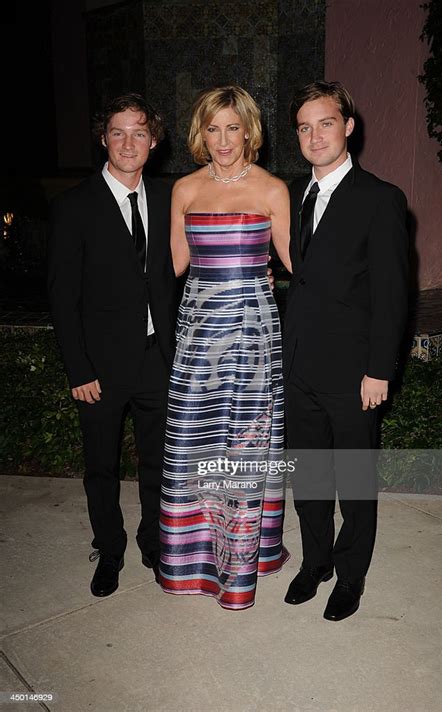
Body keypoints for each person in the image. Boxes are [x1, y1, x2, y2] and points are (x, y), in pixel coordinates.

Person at [158, 84, 292, 610]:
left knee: (245, 445)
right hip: (198, 335)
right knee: (196, 437)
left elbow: (298, 267)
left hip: (254, 340)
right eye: (212, 128)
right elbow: (168, 270)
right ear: (200, 132)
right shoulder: (185, 190)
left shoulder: (273, 190)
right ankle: (192, 558)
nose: (222, 139)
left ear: (248, 131)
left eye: (232, 127)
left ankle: (244, 562)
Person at [283, 81, 409, 620]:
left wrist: (379, 371)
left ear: (349, 126)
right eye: (305, 127)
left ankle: (350, 576)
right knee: (309, 478)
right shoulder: (290, 194)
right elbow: (300, 274)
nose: (315, 136)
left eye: (325, 122)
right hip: (297, 368)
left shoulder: (381, 199)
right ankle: (316, 562)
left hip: (355, 373)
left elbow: (392, 295)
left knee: (355, 482)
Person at [48, 93, 177, 597]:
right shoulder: (73, 206)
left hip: (157, 357)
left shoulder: (169, 198)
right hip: (98, 364)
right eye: (118, 132)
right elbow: (62, 297)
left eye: (140, 133)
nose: (129, 143)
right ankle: (111, 548)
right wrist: (78, 368)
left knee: (156, 459)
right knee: (101, 464)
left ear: (153, 141)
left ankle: (152, 541)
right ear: (104, 138)